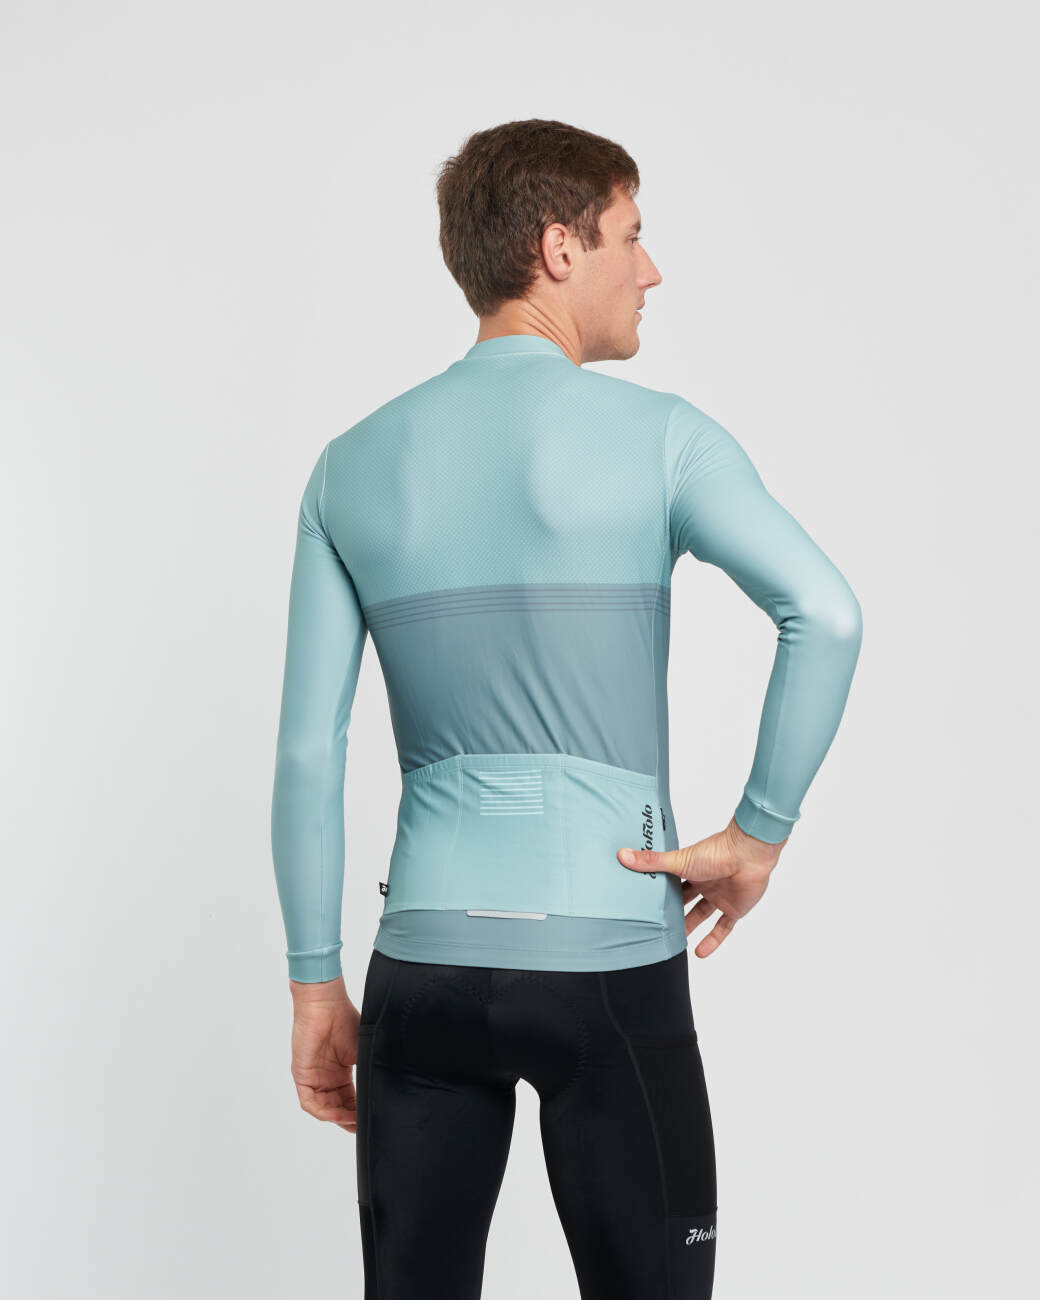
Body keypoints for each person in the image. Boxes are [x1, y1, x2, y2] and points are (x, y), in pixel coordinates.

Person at [270, 118, 862, 1299]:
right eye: (630, 237)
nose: (650, 269)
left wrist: (314, 986)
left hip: (421, 968)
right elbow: (825, 615)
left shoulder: (348, 465)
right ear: (557, 247)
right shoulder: (662, 439)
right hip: (608, 961)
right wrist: (754, 834)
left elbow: (305, 754)